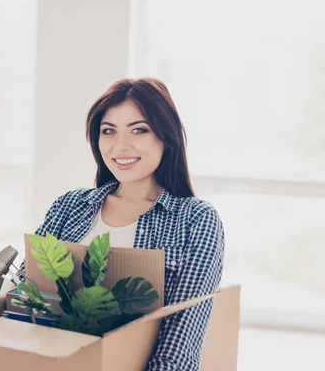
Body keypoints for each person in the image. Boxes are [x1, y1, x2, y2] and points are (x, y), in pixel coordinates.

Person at [20, 77, 224, 370]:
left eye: (139, 130)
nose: (121, 146)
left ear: (166, 137)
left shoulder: (195, 220)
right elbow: (23, 295)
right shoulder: (69, 205)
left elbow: (180, 344)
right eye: (109, 131)